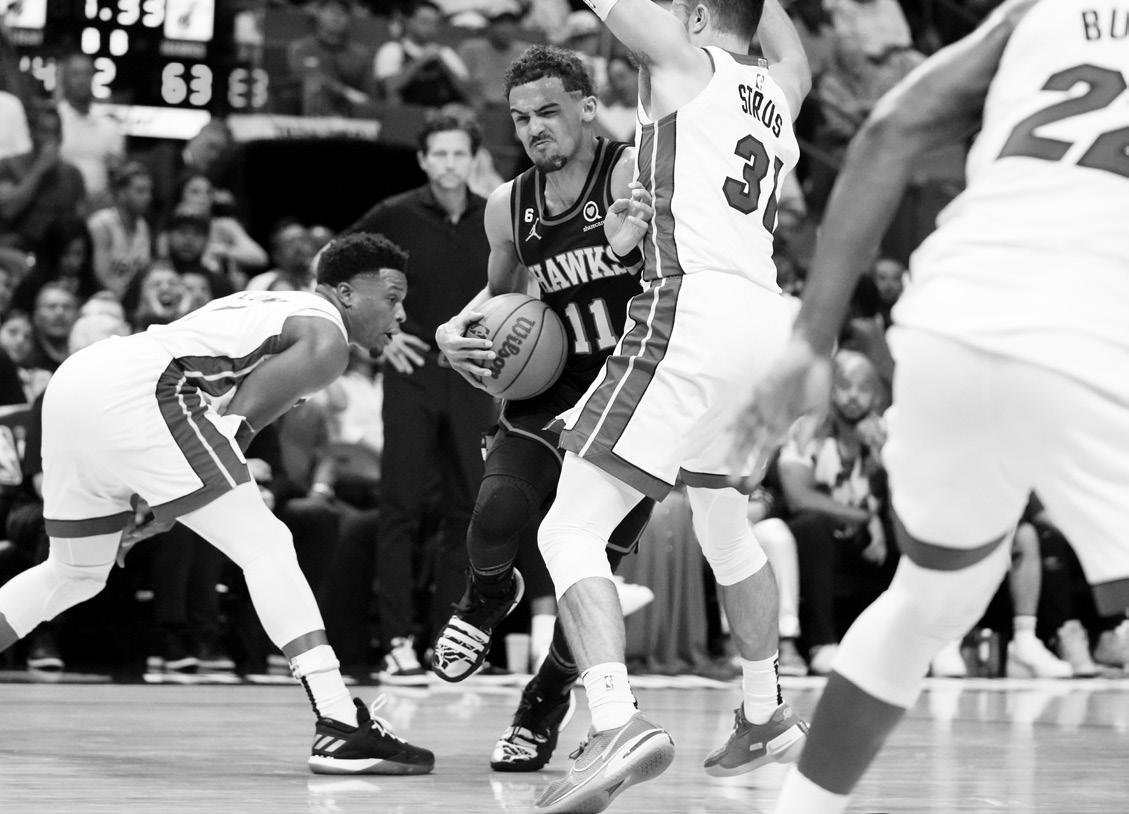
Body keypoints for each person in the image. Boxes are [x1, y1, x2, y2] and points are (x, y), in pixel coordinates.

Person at [725, 2, 1129, 811]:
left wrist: (810, 341)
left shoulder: (1039, 11)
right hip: (1093, 330)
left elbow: (887, 130)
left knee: (932, 598)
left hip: (951, 320)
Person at [0, 233, 435, 776]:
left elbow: (219, 440)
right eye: (392, 298)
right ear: (345, 293)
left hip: (80, 383)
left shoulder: (282, 306)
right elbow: (232, 429)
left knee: (73, 573)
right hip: (145, 389)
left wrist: (168, 505)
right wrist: (169, 507)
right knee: (268, 543)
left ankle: (340, 721)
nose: (401, 314)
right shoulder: (328, 340)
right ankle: (339, 721)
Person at [525, 1, 812, 811]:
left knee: (568, 527)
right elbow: (794, 54)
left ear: (692, 18)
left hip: (695, 308)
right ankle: (764, 709)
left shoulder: (688, 64)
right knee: (724, 521)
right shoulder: (779, 90)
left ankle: (614, 720)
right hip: (764, 324)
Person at [432, 44, 654, 770]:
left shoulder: (628, 172)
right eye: (521, 118)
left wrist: (631, 251)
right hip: (550, 385)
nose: (534, 129)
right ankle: (486, 597)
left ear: (588, 109)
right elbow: (500, 298)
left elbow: (684, 275)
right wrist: (451, 329)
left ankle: (544, 703)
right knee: (496, 510)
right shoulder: (508, 204)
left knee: (583, 576)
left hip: (631, 394)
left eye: (548, 112)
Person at [344, 115, 495, 684]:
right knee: (400, 509)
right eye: (440, 154)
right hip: (411, 376)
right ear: (423, 160)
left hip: (473, 375)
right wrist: (379, 335)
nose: (450, 164)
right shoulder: (395, 214)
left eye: (459, 153)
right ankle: (396, 642)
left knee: (467, 510)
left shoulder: (495, 214)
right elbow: (333, 265)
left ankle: (445, 644)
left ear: (474, 159)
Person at [56, 53, 126, 205]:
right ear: (64, 80)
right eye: (75, 74)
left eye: (87, 73)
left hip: (100, 208)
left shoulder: (110, 126)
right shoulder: (53, 121)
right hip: (60, 207)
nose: (82, 80)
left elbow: (118, 175)